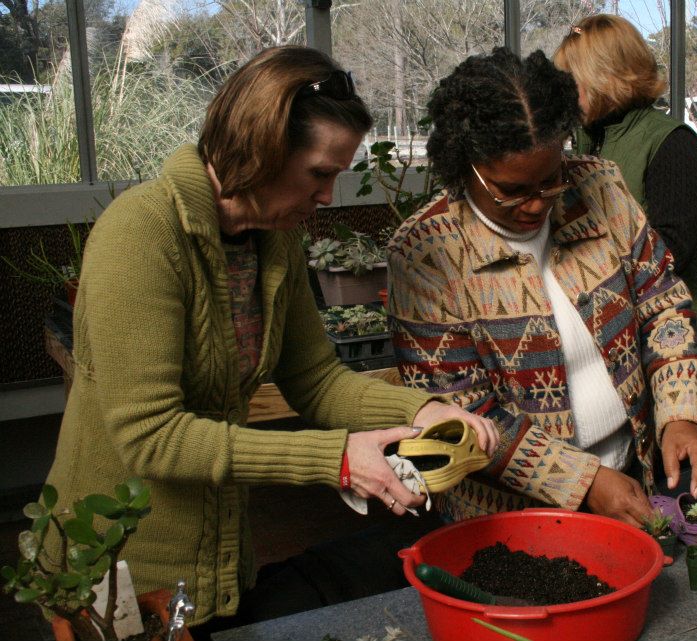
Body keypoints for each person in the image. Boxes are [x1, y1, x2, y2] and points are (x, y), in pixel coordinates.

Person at [42, 45, 497, 631]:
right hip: (115, 564)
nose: (328, 197)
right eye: (320, 173)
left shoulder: (271, 238)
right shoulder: (140, 234)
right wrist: (335, 460)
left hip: (217, 558)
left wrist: (425, 409)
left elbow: (315, 380)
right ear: (261, 149)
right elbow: (151, 436)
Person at [387, 48, 697, 529]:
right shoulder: (426, 254)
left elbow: (662, 304)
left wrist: (681, 414)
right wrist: (583, 482)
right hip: (506, 514)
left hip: (631, 472)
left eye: (550, 181)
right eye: (511, 190)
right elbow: (463, 412)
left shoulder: (601, 188)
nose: (536, 206)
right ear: (466, 168)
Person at [554, 14, 697, 341]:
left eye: (572, 82)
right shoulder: (587, 138)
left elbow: (672, 251)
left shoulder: (672, 142)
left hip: (669, 330)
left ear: (605, 77)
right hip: (613, 325)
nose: (564, 96)